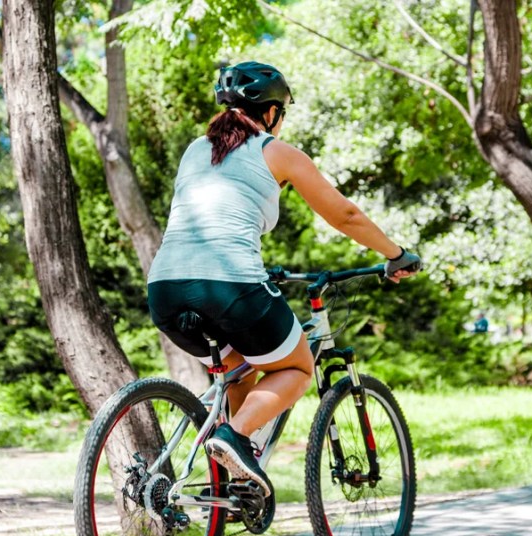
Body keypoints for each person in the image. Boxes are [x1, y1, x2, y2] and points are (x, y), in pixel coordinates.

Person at [146, 61, 421, 497]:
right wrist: (395, 254)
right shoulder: (277, 152)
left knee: (239, 367)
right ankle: (231, 436)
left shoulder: (195, 150)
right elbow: (344, 214)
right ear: (271, 112)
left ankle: (238, 476)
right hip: (230, 283)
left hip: (164, 289)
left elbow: (220, 215)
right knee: (295, 366)